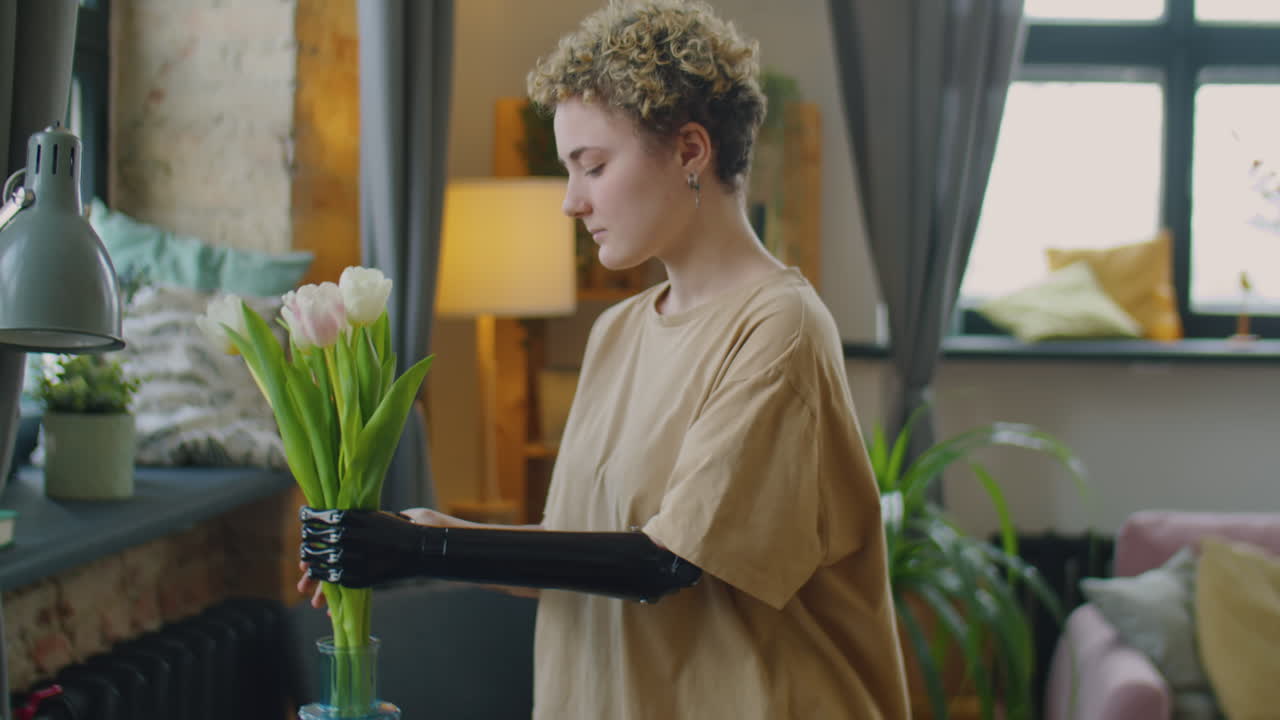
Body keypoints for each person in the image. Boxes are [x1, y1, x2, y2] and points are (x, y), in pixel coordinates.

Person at [299, 1, 910, 717]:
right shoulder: (617, 331)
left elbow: (663, 562)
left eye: (591, 166)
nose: (570, 202)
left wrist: (422, 553)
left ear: (690, 151)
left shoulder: (780, 328)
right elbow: (577, 554)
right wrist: (437, 531)